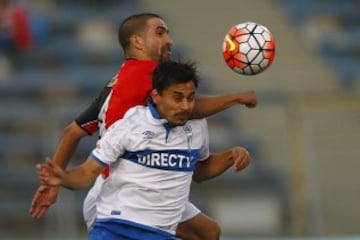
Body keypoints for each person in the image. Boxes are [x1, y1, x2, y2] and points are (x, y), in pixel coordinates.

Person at [29, 12, 257, 240]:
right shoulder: (144, 73)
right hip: (124, 193)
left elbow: (72, 131)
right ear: (137, 42)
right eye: (160, 32)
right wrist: (236, 98)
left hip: (142, 182)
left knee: (207, 232)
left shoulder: (119, 82)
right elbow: (192, 108)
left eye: (167, 32)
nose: (169, 40)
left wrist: (53, 184)